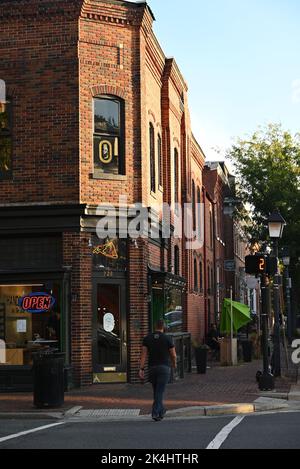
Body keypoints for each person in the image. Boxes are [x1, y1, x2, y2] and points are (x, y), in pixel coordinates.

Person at [139, 320, 177, 422]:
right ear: (163, 327)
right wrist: (174, 364)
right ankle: (155, 413)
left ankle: (161, 411)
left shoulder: (147, 338)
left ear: (155, 326)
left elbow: (143, 355)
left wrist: (141, 368)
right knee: (159, 391)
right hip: (164, 368)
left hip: (152, 368)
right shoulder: (168, 339)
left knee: (156, 390)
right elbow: (173, 355)